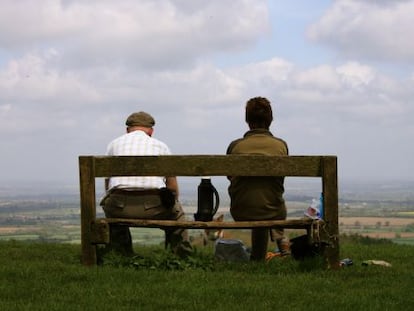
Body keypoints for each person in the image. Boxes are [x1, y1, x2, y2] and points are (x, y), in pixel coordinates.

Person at [100, 111, 192, 257]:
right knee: (177, 215)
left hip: (118, 206)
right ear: (151, 131)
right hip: (153, 206)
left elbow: (108, 182)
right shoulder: (161, 147)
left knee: (111, 210)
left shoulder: (114, 145)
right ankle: (180, 256)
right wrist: (172, 202)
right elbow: (172, 187)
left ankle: (121, 254)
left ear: (127, 130)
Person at [226, 97, 290, 261]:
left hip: (241, 210)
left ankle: (258, 259)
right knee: (269, 202)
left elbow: (229, 176)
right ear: (270, 119)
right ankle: (280, 246)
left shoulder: (235, 146)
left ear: (247, 120)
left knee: (257, 200)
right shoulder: (281, 146)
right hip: (272, 210)